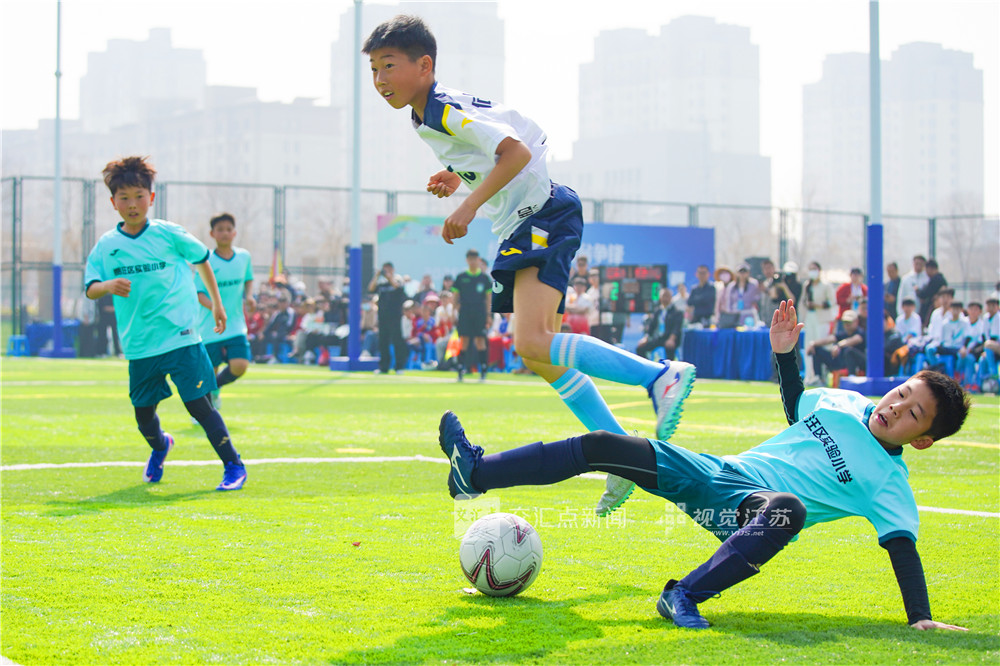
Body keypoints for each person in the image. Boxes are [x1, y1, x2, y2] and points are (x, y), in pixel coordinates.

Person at [438, 299, 970, 631]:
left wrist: (920, 618)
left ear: (922, 440)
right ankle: (475, 474)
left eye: (912, 414)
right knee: (605, 443)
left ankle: (684, 594)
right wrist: (785, 354)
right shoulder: (845, 402)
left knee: (788, 509)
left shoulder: (889, 483)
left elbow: (902, 547)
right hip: (717, 471)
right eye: (902, 393)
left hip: (749, 508)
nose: (896, 407)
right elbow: (797, 411)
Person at [364, 14, 695, 516]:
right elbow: (496, 147)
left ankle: (659, 376)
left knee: (532, 342)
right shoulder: (425, 114)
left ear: (424, 65)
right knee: (542, 357)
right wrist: (458, 176)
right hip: (531, 219)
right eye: (373, 69)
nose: (379, 79)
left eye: (388, 65)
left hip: (540, 215)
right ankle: (621, 453)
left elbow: (515, 152)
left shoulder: (442, 110)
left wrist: (468, 205)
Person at [84, 156, 247, 491]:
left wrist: (217, 304)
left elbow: (202, 259)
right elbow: (90, 288)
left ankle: (233, 465)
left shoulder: (169, 233)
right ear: (113, 202)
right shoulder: (107, 246)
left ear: (151, 198)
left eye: (139, 196)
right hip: (140, 344)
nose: (132, 204)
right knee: (143, 415)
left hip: (182, 336)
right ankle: (160, 445)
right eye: (124, 198)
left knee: (198, 405)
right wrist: (107, 286)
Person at [195, 213, 254, 408]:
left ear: (234, 232)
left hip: (235, 323)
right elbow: (198, 293)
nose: (225, 233)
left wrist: (250, 296)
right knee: (209, 370)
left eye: (229, 229)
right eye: (220, 230)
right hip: (210, 326)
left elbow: (248, 279)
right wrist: (215, 308)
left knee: (240, 365)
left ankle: (215, 388)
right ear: (212, 234)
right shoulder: (206, 260)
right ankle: (204, 408)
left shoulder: (244, 257)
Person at [452, 248, 493, 382]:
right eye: (470, 259)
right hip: (465, 311)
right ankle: (460, 371)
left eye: (475, 259)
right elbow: (455, 295)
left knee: (480, 341)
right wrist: (453, 312)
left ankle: (483, 371)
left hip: (479, 312)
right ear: (467, 260)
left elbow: (488, 298)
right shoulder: (461, 277)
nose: (472, 261)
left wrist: (488, 315)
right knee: (464, 341)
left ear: (478, 260)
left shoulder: (484, 278)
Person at [807, 309, 866, 384]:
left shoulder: (860, 333)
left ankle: (851, 376)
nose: (847, 324)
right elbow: (829, 339)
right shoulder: (842, 334)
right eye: (845, 322)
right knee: (816, 349)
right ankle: (818, 378)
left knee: (849, 351)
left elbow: (855, 340)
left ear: (856, 322)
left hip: (856, 364)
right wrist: (813, 343)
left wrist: (838, 346)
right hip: (840, 362)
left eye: (849, 322)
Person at [369, 261, 407, 374]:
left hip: (395, 316)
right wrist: (376, 276)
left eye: (389, 269)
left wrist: (389, 277)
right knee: (383, 342)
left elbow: (398, 288)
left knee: (397, 341)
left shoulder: (398, 279)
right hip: (383, 316)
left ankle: (399, 367)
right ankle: (383, 367)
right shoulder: (381, 283)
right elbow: (370, 289)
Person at [636, 287, 684, 361]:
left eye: (667, 296)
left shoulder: (677, 312)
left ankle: (669, 367)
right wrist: (646, 338)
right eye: (663, 296)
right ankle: (648, 365)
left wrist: (671, 339)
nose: (665, 298)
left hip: (670, 339)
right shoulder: (657, 311)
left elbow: (676, 328)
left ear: (671, 297)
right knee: (640, 348)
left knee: (669, 350)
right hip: (658, 338)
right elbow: (651, 327)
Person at [916, 259, 948, 327]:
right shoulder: (941, 279)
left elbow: (924, 294)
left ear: (930, 269)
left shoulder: (936, 280)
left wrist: (917, 291)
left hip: (932, 307)